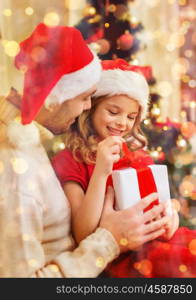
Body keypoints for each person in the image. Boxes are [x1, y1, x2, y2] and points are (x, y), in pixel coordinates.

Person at [0, 23, 169, 278]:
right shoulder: (17, 170)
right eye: (83, 98)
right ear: (55, 96)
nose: (87, 107)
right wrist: (110, 240)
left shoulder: (30, 144)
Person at [52, 59, 196, 277]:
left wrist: (170, 220)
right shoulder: (71, 160)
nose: (122, 123)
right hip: (121, 256)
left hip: (155, 242)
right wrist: (101, 170)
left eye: (131, 117)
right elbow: (83, 233)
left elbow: (162, 204)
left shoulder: (137, 155)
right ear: (90, 108)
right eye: (113, 112)